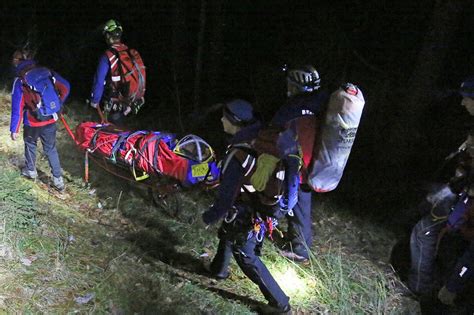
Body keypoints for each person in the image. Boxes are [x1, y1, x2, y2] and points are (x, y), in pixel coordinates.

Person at [202, 99, 294, 314]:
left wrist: (208, 216)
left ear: (234, 121)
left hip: (249, 210)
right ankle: (219, 269)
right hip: (257, 206)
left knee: (245, 254)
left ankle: (281, 304)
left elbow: (225, 199)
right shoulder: (257, 137)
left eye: (224, 116)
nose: (221, 119)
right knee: (228, 230)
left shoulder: (239, 153)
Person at [408, 77, 474, 311]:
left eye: (467, 97)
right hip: (457, 192)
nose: (463, 102)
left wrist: (452, 192)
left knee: (424, 232)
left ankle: (421, 290)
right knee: (423, 222)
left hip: (462, 199)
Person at [272, 65, 328, 263]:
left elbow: (275, 127)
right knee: (301, 206)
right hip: (310, 164)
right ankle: (301, 249)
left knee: (279, 198)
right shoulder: (320, 103)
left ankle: (259, 230)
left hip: (293, 164)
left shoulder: (291, 108)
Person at [10, 48, 70, 191]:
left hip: (33, 121)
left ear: (18, 62)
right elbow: (66, 87)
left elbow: (17, 108)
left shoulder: (20, 81)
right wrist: (57, 104)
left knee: (30, 143)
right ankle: (58, 181)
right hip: (50, 118)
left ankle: (31, 171)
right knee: (51, 148)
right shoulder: (46, 71)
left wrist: (14, 129)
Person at [89, 19, 146, 125]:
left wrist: (94, 101)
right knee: (121, 131)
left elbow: (99, 81)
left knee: (108, 134)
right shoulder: (130, 52)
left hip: (114, 104)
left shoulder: (108, 55)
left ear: (108, 36)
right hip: (132, 102)